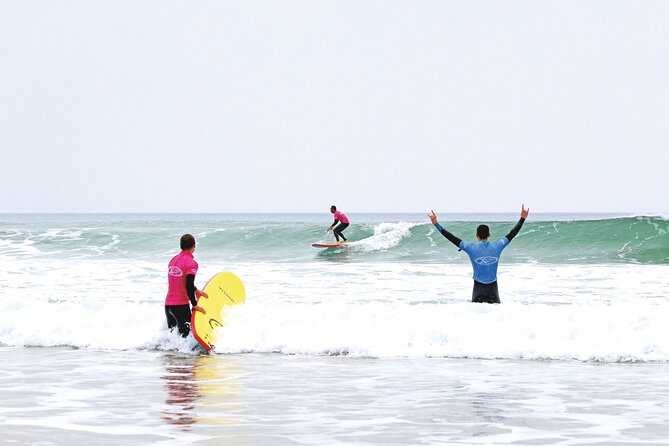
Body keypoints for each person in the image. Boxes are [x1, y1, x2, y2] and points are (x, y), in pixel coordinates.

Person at [428, 205, 530, 304]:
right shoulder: (498, 245)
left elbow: (451, 237)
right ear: (489, 235)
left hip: (478, 289)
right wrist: (522, 218)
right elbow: (512, 234)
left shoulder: (470, 247)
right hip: (493, 289)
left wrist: (436, 223)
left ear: (477, 235)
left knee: (476, 318)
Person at [165, 234, 208, 337]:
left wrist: (196, 290)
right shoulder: (192, 263)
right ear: (194, 246)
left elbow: (180, 281)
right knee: (186, 338)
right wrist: (194, 304)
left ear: (181, 245)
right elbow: (188, 284)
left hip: (168, 306)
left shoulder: (173, 260)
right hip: (181, 306)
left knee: (173, 340)